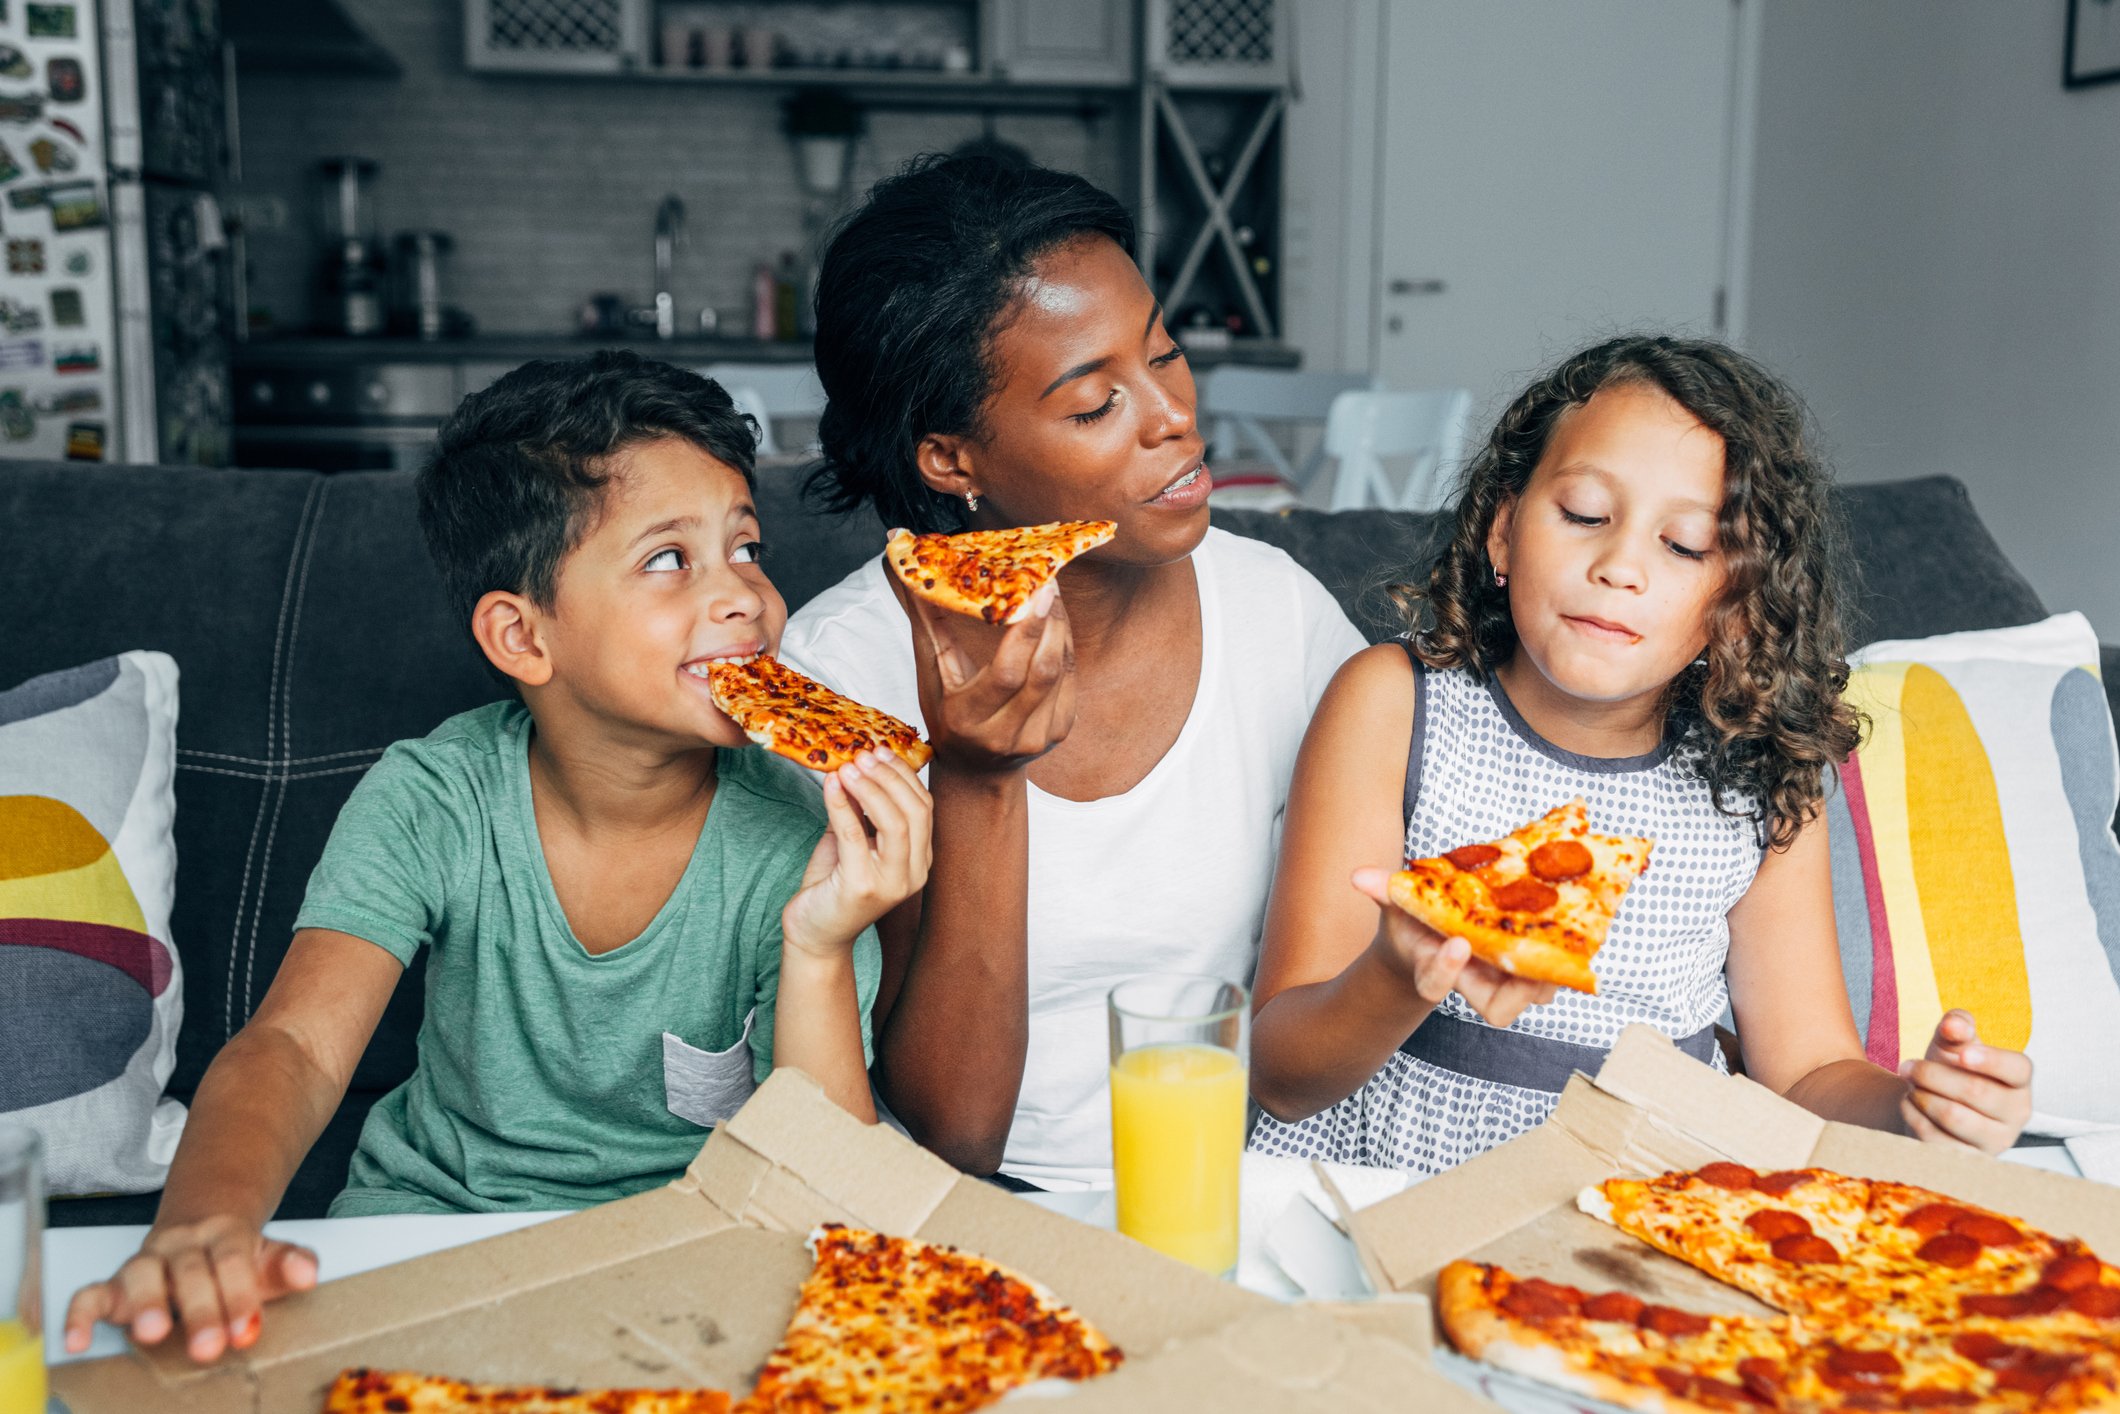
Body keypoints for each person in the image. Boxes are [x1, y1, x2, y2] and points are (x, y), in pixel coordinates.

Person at [63, 352, 931, 1362]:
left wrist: (822, 943)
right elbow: (295, 1049)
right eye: (668, 558)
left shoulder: (794, 827)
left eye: (745, 546)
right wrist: (200, 1222)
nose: (744, 596)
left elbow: (818, 1179)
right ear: (522, 637)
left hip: (701, 1241)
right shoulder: (434, 798)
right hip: (440, 1228)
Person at [1246, 335, 2032, 1173]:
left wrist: (1912, 1108)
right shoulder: (1395, 703)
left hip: (1648, 1190)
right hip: (1386, 1174)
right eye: (1585, 515)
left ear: (1739, 601)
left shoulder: (1759, 775)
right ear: (1503, 532)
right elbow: (1284, 1077)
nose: (1620, 565)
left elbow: (1804, 1072)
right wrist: (1402, 971)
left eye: (1685, 545)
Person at [781, 153, 1368, 1188]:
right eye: (1095, 403)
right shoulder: (837, 677)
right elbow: (950, 1131)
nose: (1172, 416)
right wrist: (978, 777)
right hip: (979, 1211)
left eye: (1165, 353)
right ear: (950, 460)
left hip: (1245, 1187)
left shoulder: (1280, 613)